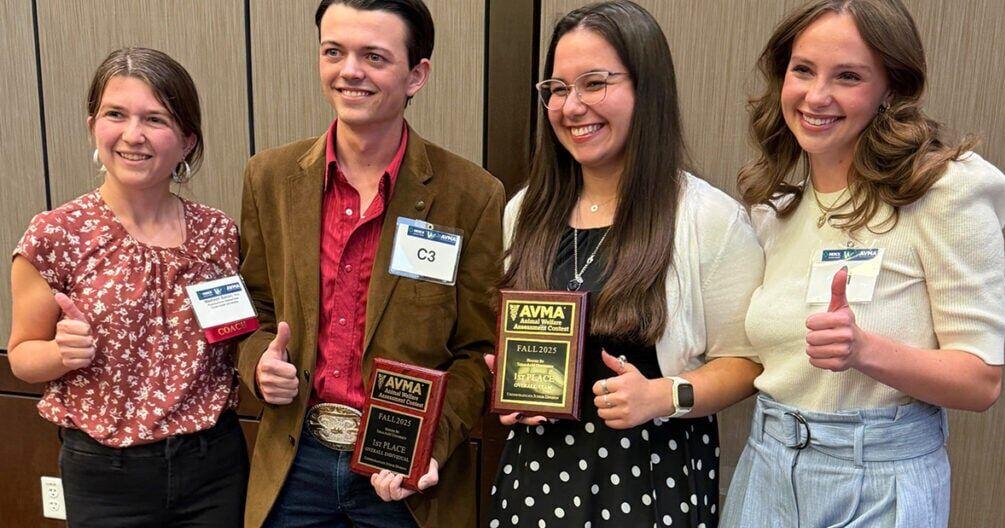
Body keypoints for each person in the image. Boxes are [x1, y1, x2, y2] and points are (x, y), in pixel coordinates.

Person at [722, 1, 1005, 526]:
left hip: (878, 480)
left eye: (848, 76)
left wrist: (865, 350)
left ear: (890, 90)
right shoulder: (775, 201)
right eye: (802, 70)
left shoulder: (944, 189)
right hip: (766, 468)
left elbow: (982, 381)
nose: (816, 96)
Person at [487, 1, 765, 526]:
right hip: (534, 477)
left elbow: (748, 364)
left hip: (649, 480)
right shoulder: (524, 211)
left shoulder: (706, 217)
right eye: (558, 89)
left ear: (647, 88)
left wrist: (664, 395)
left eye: (595, 84)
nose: (572, 107)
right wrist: (513, 381)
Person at [236, 0, 504, 526]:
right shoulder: (269, 178)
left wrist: (431, 444)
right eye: (334, 51)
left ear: (416, 75)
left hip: (404, 481)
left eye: (374, 57)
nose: (349, 71)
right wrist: (258, 364)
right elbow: (255, 309)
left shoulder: (471, 195)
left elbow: (479, 349)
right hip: (295, 465)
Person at [7, 47, 247, 527]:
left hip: (213, 464)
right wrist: (60, 353)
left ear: (186, 140)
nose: (133, 135)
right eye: (116, 114)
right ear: (93, 123)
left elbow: (234, 338)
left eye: (155, 119)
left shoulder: (218, 233)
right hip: (105, 475)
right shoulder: (57, 234)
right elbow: (21, 356)